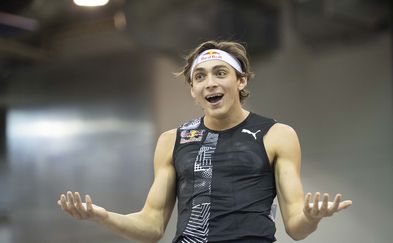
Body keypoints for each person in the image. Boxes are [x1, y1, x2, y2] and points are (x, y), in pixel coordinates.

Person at [58, 40, 352, 242]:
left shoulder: (277, 135)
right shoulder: (171, 140)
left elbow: (296, 227)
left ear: (241, 80)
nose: (209, 82)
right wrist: (103, 216)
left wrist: (312, 217)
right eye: (199, 77)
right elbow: (151, 225)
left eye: (220, 73)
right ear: (193, 90)